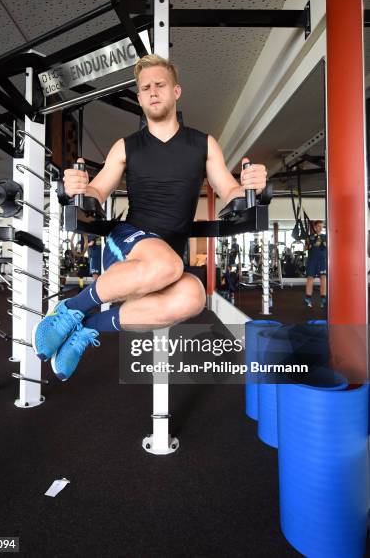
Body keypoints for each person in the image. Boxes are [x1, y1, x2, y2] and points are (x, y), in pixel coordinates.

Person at [32, 54, 267, 380]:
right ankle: (70, 309)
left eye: (160, 85)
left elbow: (229, 190)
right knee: (168, 264)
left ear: (176, 92)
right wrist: (78, 188)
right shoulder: (126, 147)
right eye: (145, 88)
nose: (153, 91)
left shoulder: (203, 144)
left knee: (194, 296)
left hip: (163, 260)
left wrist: (251, 188)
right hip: (127, 244)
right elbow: (98, 191)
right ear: (140, 97)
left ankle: (87, 327)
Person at [304, 220, 327, 308]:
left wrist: (323, 243)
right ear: (315, 227)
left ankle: (323, 299)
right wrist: (309, 245)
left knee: (323, 278)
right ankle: (308, 298)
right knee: (310, 278)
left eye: (322, 226)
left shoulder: (325, 237)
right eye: (319, 226)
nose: (320, 228)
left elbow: (329, 246)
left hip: (322, 260)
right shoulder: (310, 237)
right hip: (312, 260)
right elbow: (305, 248)